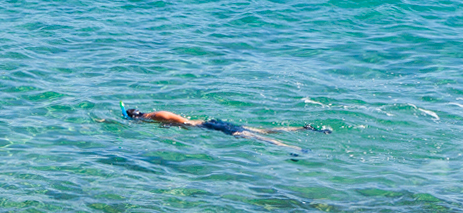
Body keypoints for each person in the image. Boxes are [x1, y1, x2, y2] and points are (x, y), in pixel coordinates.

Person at [122, 107, 328, 150]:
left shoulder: (156, 116)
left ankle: (292, 148)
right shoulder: (156, 113)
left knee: (255, 137)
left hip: (209, 126)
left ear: (136, 118)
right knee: (262, 130)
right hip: (211, 121)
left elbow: (183, 125)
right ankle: (302, 128)